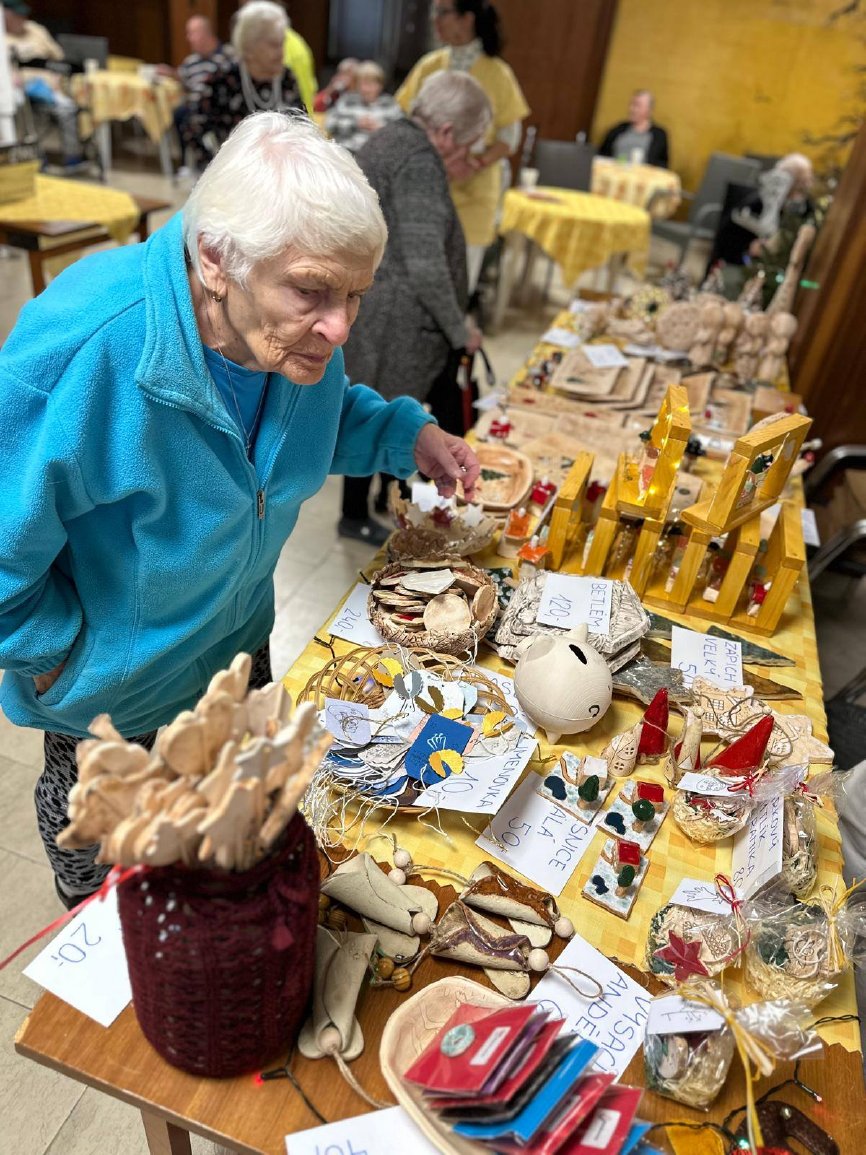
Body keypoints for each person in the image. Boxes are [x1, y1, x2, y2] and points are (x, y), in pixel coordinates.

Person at [0, 111, 479, 908]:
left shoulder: (288, 337)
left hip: (235, 657)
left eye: (356, 295)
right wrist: (59, 656)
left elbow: (307, 422)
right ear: (216, 259)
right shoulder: (85, 349)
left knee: (229, 881)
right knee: (118, 921)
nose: (340, 326)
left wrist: (406, 435)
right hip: (116, 708)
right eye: (313, 290)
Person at [339, 71, 488, 544]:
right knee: (383, 410)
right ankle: (356, 514)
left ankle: (379, 503)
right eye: (466, 147)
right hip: (397, 321)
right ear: (446, 132)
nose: (467, 160)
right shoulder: (420, 160)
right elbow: (426, 265)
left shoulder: (390, 137)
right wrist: (460, 331)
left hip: (379, 309)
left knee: (376, 403)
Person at [396, 1, 529, 292]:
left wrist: (474, 164)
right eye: (435, 12)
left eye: (443, 12)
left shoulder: (497, 73)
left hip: (474, 189)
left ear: (467, 19)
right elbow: (405, 120)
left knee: (458, 284)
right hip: (427, 185)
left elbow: (509, 138)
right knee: (415, 283)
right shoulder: (430, 65)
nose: (435, 20)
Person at [193, 1, 303, 158]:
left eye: (282, 43)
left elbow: (302, 125)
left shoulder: (287, 79)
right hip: (232, 168)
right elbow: (197, 131)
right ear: (249, 47)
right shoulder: (223, 80)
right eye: (274, 45)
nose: (281, 52)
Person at [707, 153, 816, 300]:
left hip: (777, 278)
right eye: (800, 183)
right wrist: (749, 247)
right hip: (741, 270)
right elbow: (726, 237)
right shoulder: (756, 203)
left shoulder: (803, 211)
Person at [3, 0, 83, 166]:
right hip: (17, 93)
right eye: (17, 16)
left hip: (48, 87)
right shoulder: (2, 36)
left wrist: (57, 79)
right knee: (20, 110)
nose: (22, 19)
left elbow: (59, 58)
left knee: (68, 108)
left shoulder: (36, 30)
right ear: (5, 15)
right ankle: (32, 156)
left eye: (24, 15)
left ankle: (72, 156)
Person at [163, 15, 233, 172]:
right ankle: (188, 163)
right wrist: (171, 74)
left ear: (205, 34)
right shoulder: (191, 61)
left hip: (219, 107)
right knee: (180, 114)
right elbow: (184, 81)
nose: (189, 38)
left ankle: (218, 162)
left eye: (192, 33)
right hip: (194, 107)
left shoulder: (227, 56)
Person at [324, 60, 403, 155]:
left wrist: (381, 128)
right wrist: (356, 124)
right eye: (363, 84)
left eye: (371, 84)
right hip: (348, 154)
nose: (366, 89)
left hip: (380, 155)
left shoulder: (389, 104)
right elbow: (330, 124)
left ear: (380, 85)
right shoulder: (347, 101)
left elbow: (403, 132)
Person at [598, 90, 669, 168]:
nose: (631, 109)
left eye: (637, 105)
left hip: (642, 174)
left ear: (649, 110)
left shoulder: (659, 135)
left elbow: (662, 164)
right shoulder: (617, 130)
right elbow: (601, 155)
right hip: (615, 172)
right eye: (631, 104)